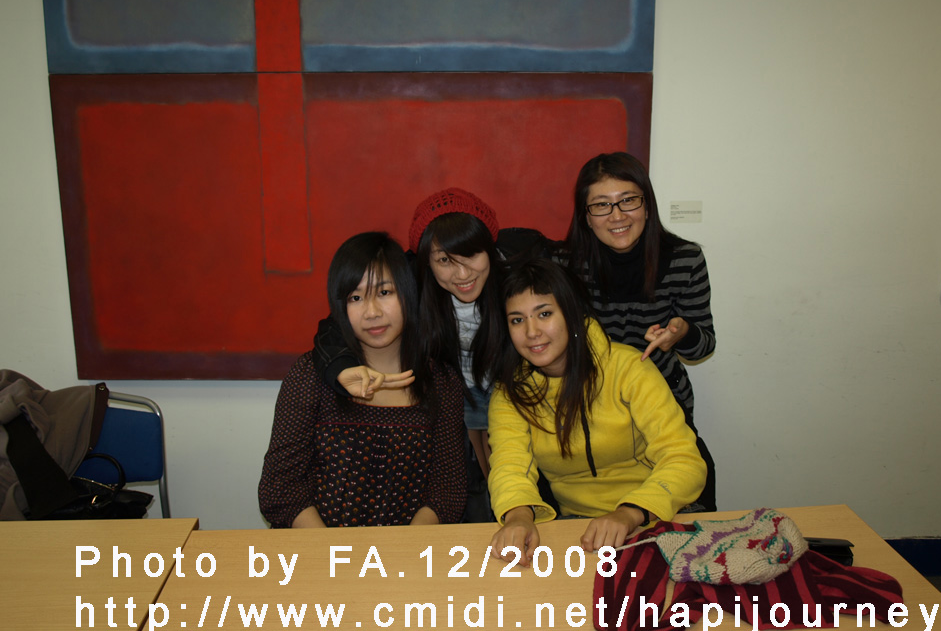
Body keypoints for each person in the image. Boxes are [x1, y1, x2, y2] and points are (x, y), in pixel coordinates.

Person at [310, 188, 542, 521]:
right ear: (427, 260)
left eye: (471, 255)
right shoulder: (411, 279)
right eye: (445, 261)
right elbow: (334, 326)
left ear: (488, 247)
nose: (462, 274)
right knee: (470, 494)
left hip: (509, 389)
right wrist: (342, 368)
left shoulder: (519, 267)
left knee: (514, 481)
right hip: (452, 394)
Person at [488, 258, 706, 563]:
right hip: (579, 528)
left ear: (572, 313)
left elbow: (684, 459)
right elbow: (510, 467)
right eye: (517, 320)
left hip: (658, 513)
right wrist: (518, 517)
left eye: (544, 314)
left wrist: (629, 513)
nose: (531, 331)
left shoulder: (628, 368)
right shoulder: (511, 393)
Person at [258, 232, 466, 528]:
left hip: (408, 549)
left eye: (384, 292)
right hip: (318, 546)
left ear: (407, 294)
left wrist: (404, 547)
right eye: (355, 298)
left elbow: (448, 491)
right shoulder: (310, 375)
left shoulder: (441, 382)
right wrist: (332, 551)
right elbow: (280, 488)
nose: (372, 312)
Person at [561, 152, 718, 511]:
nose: (617, 216)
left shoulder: (684, 259)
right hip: (590, 408)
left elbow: (704, 345)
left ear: (647, 205)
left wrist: (682, 333)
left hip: (663, 405)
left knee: (698, 484)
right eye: (601, 205)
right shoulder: (565, 264)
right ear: (585, 217)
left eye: (628, 200)